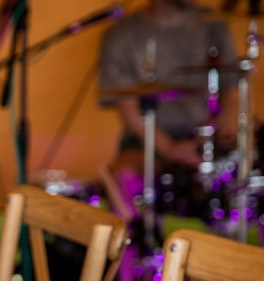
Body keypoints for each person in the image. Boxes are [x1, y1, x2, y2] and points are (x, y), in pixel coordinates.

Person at [99, 0, 240, 228]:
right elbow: (130, 112)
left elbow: (230, 89)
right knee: (123, 176)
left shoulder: (212, 24)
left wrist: (225, 122)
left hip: (204, 135)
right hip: (148, 140)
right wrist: (171, 149)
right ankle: (133, 257)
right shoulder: (122, 35)